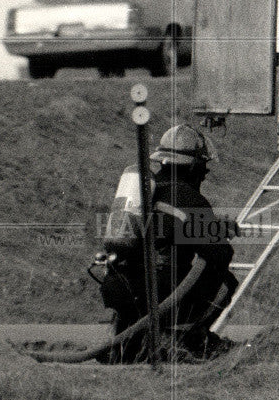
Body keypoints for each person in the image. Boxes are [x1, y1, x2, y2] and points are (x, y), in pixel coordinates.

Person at [99, 124, 238, 362]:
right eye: (203, 167)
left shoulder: (147, 191)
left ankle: (127, 346)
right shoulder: (189, 197)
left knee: (126, 350)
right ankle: (188, 341)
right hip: (156, 293)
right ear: (193, 166)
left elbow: (172, 225)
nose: (204, 174)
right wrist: (220, 235)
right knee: (226, 282)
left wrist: (213, 226)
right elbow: (220, 254)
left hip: (118, 287)